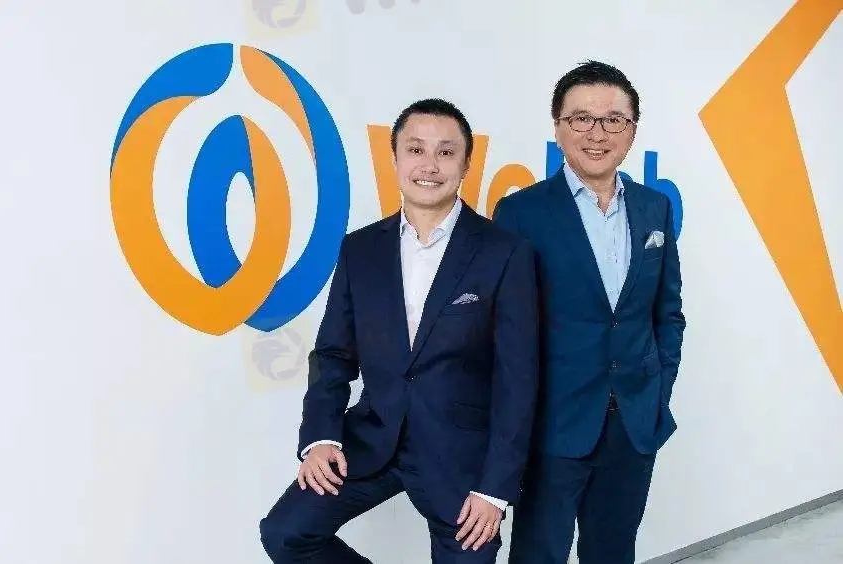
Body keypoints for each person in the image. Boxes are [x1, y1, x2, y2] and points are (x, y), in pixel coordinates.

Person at [259, 98, 539, 563]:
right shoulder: (360, 249)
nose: (430, 165)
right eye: (415, 149)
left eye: (446, 152)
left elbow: (519, 380)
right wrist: (321, 437)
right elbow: (332, 355)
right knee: (286, 533)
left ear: (466, 164)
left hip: (461, 460)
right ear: (394, 159)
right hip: (372, 439)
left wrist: (495, 488)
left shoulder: (504, 252)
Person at [493, 60, 686, 563]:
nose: (597, 134)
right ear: (558, 127)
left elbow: (667, 313)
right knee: (538, 555)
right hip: (553, 426)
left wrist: (657, 389)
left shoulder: (654, 208)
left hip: (633, 422)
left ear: (632, 130)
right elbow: (504, 331)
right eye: (581, 118)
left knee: (613, 552)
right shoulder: (521, 213)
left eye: (613, 120)